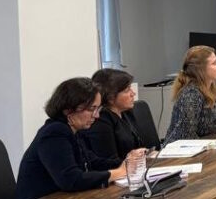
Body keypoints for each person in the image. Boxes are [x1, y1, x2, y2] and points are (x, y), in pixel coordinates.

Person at [16, 77, 145, 199]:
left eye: (98, 109)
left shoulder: (74, 130)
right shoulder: (54, 133)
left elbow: (93, 162)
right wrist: (118, 173)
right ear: (69, 110)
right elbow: (71, 180)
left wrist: (127, 162)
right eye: (92, 109)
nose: (97, 115)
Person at [165, 45, 216, 141]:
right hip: (185, 148)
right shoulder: (191, 94)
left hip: (213, 144)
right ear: (201, 69)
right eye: (214, 63)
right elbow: (187, 135)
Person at [80, 68, 145, 164]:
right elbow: (108, 161)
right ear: (110, 96)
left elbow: (138, 145)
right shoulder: (101, 120)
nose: (133, 93)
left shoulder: (126, 112)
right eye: (127, 90)